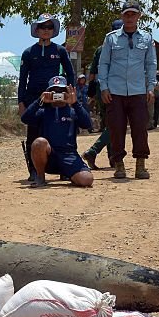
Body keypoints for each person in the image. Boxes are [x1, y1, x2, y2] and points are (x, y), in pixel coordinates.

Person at [97, 0, 158, 179]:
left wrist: (150, 87)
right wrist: (104, 87)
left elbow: (151, 64)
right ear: (122, 16)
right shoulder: (111, 38)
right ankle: (119, 164)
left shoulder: (147, 38)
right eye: (126, 14)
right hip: (114, 92)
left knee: (140, 128)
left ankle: (140, 164)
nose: (130, 17)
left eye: (133, 14)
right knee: (116, 129)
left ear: (139, 16)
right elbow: (104, 64)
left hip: (139, 91)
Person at [18, 13, 74, 181]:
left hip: (56, 98)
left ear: (53, 30)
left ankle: (63, 168)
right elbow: (22, 79)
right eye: (43, 27)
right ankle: (34, 171)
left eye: (49, 27)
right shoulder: (28, 52)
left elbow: (70, 73)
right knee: (33, 134)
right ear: (37, 29)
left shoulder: (60, 50)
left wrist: (69, 96)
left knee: (59, 133)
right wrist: (21, 102)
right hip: (33, 99)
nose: (46, 30)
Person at [21, 76, 94, 188]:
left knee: (87, 180)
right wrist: (39, 101)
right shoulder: (43, 112)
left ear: (67, 92)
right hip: (49, 156)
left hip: (68, 155)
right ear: (48, 92)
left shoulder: (73, 112)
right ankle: (40, 177)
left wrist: (75, 103)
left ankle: (68, 174)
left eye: (62, 91)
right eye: (54, 91)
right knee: (39, 142)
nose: (58, 94)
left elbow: (87, 124)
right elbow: (25, 118)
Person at [82, 19, 123, 168]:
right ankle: (93, 151)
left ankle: (113, 158)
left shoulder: (100, 49)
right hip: (115, 91)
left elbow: (92, 74)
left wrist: (92, 92)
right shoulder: (119, 47)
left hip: (101, 90)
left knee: (110, 123)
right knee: (115, 124)